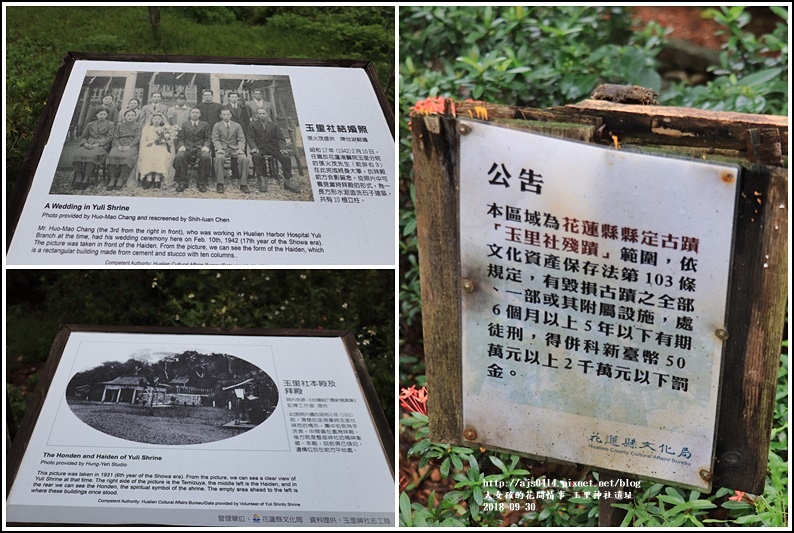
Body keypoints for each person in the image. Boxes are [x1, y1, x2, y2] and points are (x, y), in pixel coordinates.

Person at [248, 108, 298, 193]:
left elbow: (281, 139)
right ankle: (262, 180)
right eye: (259, 114)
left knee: (285, 157)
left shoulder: (273, 125)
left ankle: (287, 181)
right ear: (257, 115)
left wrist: (282, 148)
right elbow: (250, 137)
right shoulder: (253, 125)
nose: (261, 115)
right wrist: (254, 147)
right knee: (255, 156)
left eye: (263, 113)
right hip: (260, 148)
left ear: (267, 114)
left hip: (273, 148)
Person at [71, 108, 113, 190]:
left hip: (102, 145)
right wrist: (85, 143)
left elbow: (109, 137)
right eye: (100, 114)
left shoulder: (110, 124)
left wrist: (98, 144)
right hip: (88, 143)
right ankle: (79, 176)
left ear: (107, 115)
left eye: (104, 114)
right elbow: (83, 136)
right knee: (77, 155)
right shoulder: (90, 124)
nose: (102, 116)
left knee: (92, 156)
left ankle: (86, 178)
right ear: (97, 115)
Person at [174, 107, 212, 193]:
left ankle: (201, 182)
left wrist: (206, 146)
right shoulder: (184, 124)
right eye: (193, 112)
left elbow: (208, 138)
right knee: (179, 156)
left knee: (205, 156)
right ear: (190, 114)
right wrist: (181, 145)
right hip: (187, 147)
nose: (195, 114)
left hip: (200, 147)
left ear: (200, 114)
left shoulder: (205, 124)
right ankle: (182, 181)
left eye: (197, 113)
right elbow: (181, 138)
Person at [212, 108, 250, 194]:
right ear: (220, 116)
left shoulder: (237, 125)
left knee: (244, 159)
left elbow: (241, 139)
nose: (226, 116)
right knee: (219, 158)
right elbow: (215, 139)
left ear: (231, 115)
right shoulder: (217, 125)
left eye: (228, 114)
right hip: (222, 148)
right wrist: (219, 148)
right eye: (224, 115)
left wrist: (240, 148)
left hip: (235, 148)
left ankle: (243, 184)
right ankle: (220, 183)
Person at [105, 109, 142, 190]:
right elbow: (115, 138)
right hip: (120, 144)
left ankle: (121, 178)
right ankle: (112, 178)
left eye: (132, 115)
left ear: (135, 117)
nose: (130, 117)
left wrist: (130, 146)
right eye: (128, 115)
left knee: (128, 156)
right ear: (124, 116)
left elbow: (137, 137)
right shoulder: (119, 125)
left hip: (132, 145)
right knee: (111, 155)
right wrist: (118, 146)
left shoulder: (139, 125)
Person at [137, 112, 173, 189]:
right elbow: (143, 139)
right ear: (152, 120)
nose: (157, 120)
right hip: (149, 144)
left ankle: (157, 178)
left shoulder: (164, 128)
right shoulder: (147, 128)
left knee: (162, 154)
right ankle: (148, 178)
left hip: (161, 144)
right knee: (147, 154)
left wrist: (164, 140)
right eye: (155, 119)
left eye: (159, 119)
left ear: (162, 120)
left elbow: (169, 138)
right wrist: (144, 146)